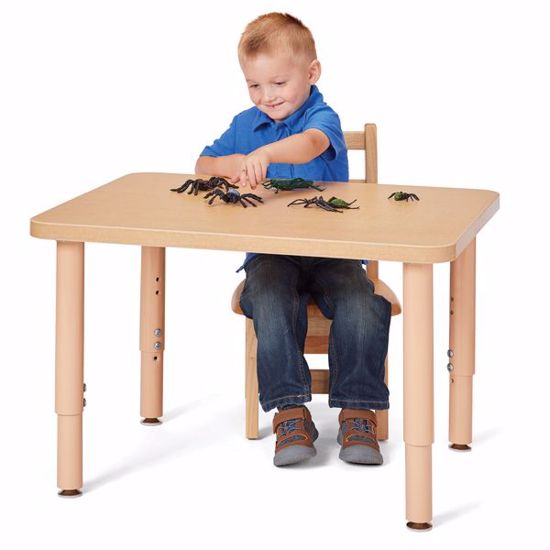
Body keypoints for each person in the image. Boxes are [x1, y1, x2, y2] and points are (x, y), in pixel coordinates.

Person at [195, 12, 392, 467]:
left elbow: (310, 145)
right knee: (267, 297)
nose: (266, 97)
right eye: (254, 85)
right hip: (271, 254)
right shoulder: (245, 123)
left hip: (333, 253)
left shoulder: (322, 116)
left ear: (312, 73)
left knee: (361, 303)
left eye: (278, 83)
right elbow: (203, 165)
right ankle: (290, 413)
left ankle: (358, 412)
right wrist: (233, 163)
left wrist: (266, 153)